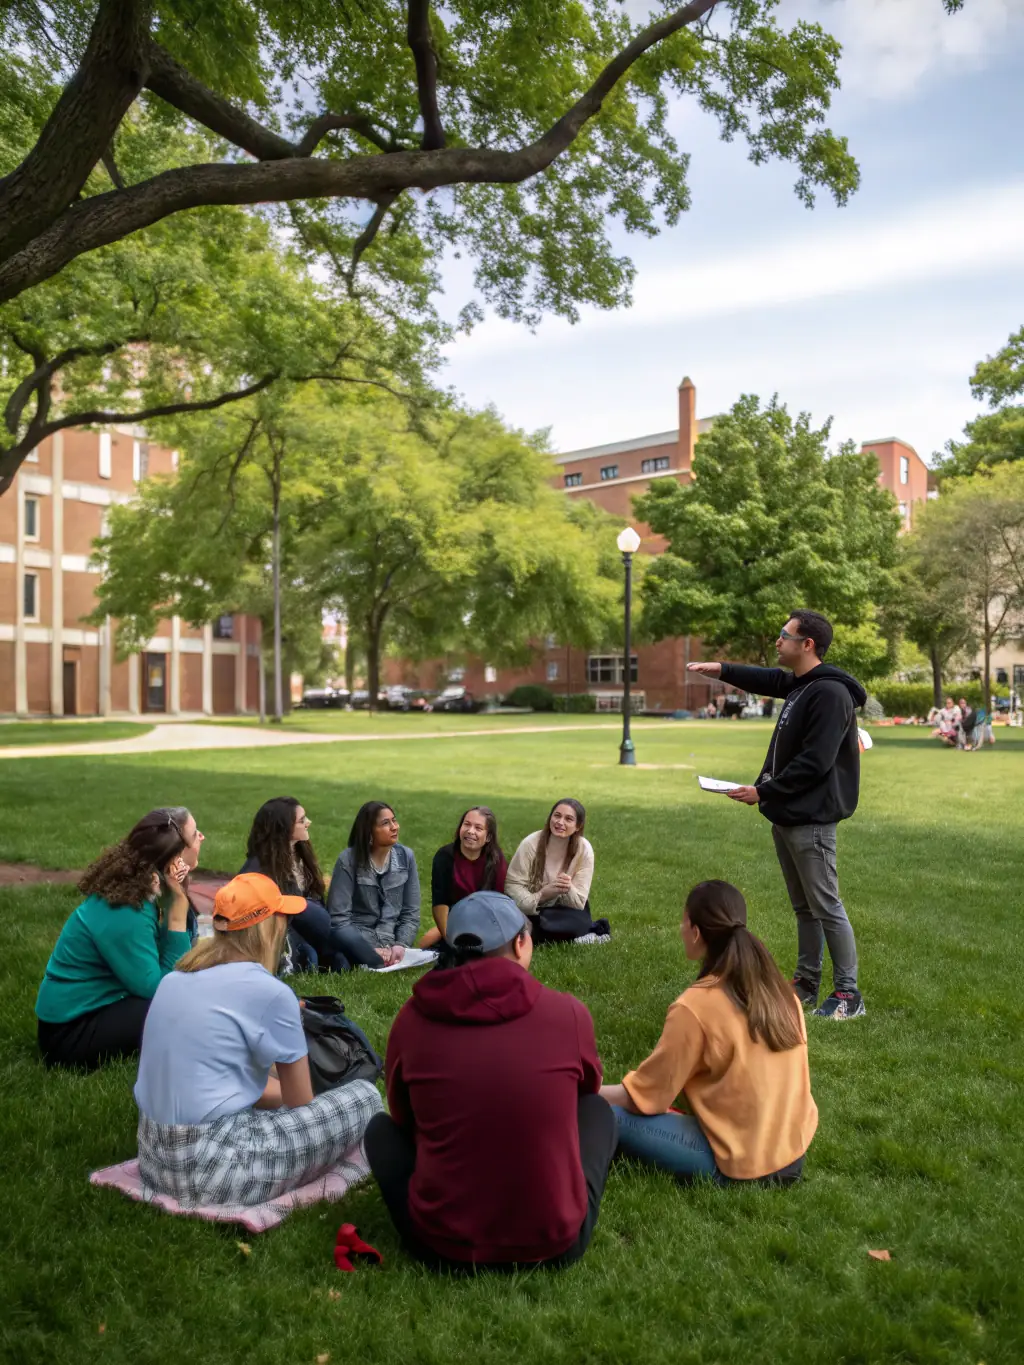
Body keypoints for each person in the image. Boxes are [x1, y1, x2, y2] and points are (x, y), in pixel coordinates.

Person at [365, 890, 616, 1270]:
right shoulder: (568, 1013)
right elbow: (585, 1093)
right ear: (520, 943)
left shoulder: (411, 1020)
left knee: (380, 1131)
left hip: (440, 1243)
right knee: (596, 1109)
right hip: (555, 1241)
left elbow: (403, 1118)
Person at [134, 873, 382, 1207]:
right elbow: (299, 1101)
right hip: (217, 1174)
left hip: (154, 1157)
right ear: (270, 926)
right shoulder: (271, 993)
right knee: (365, 1096)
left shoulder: (175, 979)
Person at [688, 609, 868, 1020]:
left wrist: (762, 790)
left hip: (812, 819)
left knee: (826, 906)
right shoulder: (803, 685)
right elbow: (767, 679)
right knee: (804, 907)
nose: (777, 641)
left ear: (807, 645)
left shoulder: (829, 693)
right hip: (788, 815)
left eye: (784, 636)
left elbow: (815, 762)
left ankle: (848, 995)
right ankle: (805, 982)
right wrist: (721, 669)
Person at [600, 880, 817, 1185]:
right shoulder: (781, 993)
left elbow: (645, 1098)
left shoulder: (693, 1008)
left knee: (605, 1114)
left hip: (740, 1165)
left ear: (697, 932)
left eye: (684, 921)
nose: (680, 928)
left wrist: (586, 1092)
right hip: (792, 1153)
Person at [35, 809, 200, 1069]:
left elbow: (179, 956)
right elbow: (157, 989)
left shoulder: (143, 890)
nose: (201, 837)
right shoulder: (126, 910)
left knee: (196, 995)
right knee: (183, 1007)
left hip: (105, 1004)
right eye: (195, 834)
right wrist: (177, 916)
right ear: (174, 859)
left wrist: (177, 899)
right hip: (71, 1032)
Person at [242, 797, 389, 971]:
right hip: (282, 937)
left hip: (311, 930)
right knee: (319, 955)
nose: (308, 823)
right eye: (302, 820)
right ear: (284, 828)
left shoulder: (298, 853)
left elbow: (318, 910)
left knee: (341, 960)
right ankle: (369, 957)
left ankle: (364, 955)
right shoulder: (259, 870)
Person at [327, 802, 421, 965]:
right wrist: (367, 949)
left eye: (394, 820)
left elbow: (411, 912)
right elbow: (339, 919)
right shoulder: (348, 860)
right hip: (358, 936)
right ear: (369, 832)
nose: (394, 827)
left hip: (391, 938)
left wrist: (401, 945)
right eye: (385, 823)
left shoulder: (406, 856)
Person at [506, 799, 609, 944]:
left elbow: (579, 901)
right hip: (529, 908)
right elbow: (512, 886)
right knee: (514, 916)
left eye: (568, 819)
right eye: (557, 816)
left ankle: (531, 932)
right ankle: (572, 936)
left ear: (578, 826)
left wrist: (567, 888)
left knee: (579, 922)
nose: (560, 822)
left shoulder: (584, 849)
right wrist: (542, 895)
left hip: (562, 910)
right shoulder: (530, 844)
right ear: (550, 818)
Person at [418, 806, 507, 949]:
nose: (470, 831)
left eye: (478, 828)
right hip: (454, 920)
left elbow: (498, 904)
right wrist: (449, 938)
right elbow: (440, 903)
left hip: (486, 921)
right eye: (466, 824)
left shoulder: (496, 859)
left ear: (488, 837)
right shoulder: (445, 856)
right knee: (426, 946)